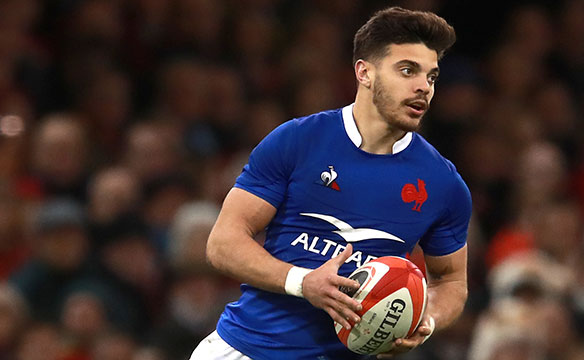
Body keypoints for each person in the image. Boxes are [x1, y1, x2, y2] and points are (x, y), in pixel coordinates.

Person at [192, 7, 471, 360]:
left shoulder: (443, 184)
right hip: (248, 349)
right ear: (364, 72)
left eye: (431, 77)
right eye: (407, 70)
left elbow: (450, 282)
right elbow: (223, 243)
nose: (423, 87)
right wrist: (303, 282)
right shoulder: (297, 140)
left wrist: (426, 318)